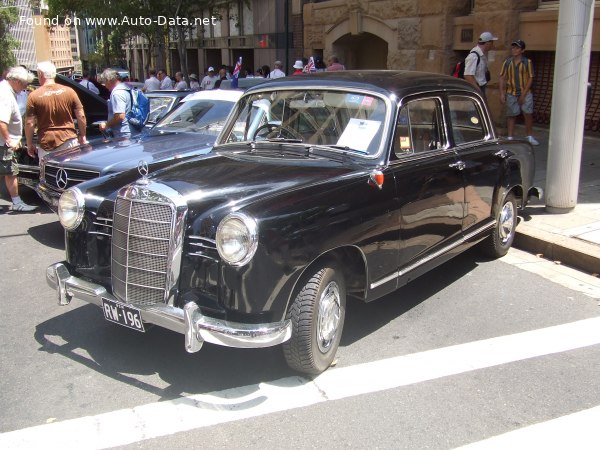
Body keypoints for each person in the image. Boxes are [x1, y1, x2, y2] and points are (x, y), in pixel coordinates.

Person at [25, 61, 87, 161]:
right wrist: (83, 135)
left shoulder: (33, 96)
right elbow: (81, 115)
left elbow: (29, 123)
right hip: (69, 139)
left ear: (40, 74)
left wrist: (29, 143)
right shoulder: (70, 91)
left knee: (49, 174)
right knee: (70, 173)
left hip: (46, 142)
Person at [0, 66, 37, 211]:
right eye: (23, 83)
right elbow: (2, 121)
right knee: (11, 172)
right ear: (15, 80)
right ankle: (17, 203)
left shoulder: (6, 90)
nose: (25, 87)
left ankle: (16, 202)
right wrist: (9, 140)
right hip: (4, 143)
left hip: (4, 141)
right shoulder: (5, 94)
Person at [499, 39, 539, 146]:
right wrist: (502, 93)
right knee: (511, 114)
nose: (514, 50)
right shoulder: (507, 62)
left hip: (525, 91)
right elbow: (502, 77)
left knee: (528, 113)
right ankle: (510, 136)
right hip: (511, 91)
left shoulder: (527, 62)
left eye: (517, 48)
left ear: (522, 50)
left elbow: (530, 78)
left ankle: (529, 136)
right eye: (513, 48)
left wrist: (524, 93)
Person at [97, 68, 135, 139]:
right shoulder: (127, 88)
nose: (105, 85)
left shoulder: (117, 93)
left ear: (108, 81)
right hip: (131, 130)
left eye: (104, 82)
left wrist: (106, 125)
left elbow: (120, 116)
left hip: (122, 134)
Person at [464, 31, 498, 101]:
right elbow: (468, 75)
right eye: (492, 42)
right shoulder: (474, 56)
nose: (492, 45)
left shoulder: (482, 55)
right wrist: (478, 90)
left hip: (480, 87)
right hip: (476, 88)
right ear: (487, 43)